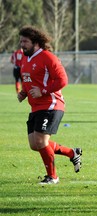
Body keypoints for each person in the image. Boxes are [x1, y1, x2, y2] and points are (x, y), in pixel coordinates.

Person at [17, 26, 82, 185]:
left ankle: (52, 177)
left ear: (36, 43)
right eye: (20, 41)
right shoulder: (25, 58)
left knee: (40, 141)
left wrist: (43, 91)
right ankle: (72, 153)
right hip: (36, 107)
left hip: (51, 104)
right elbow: (29, 79)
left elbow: (63, 80)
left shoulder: (48, 57)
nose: (22, 44)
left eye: (25, 41)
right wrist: (24, 92)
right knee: (35, 144)